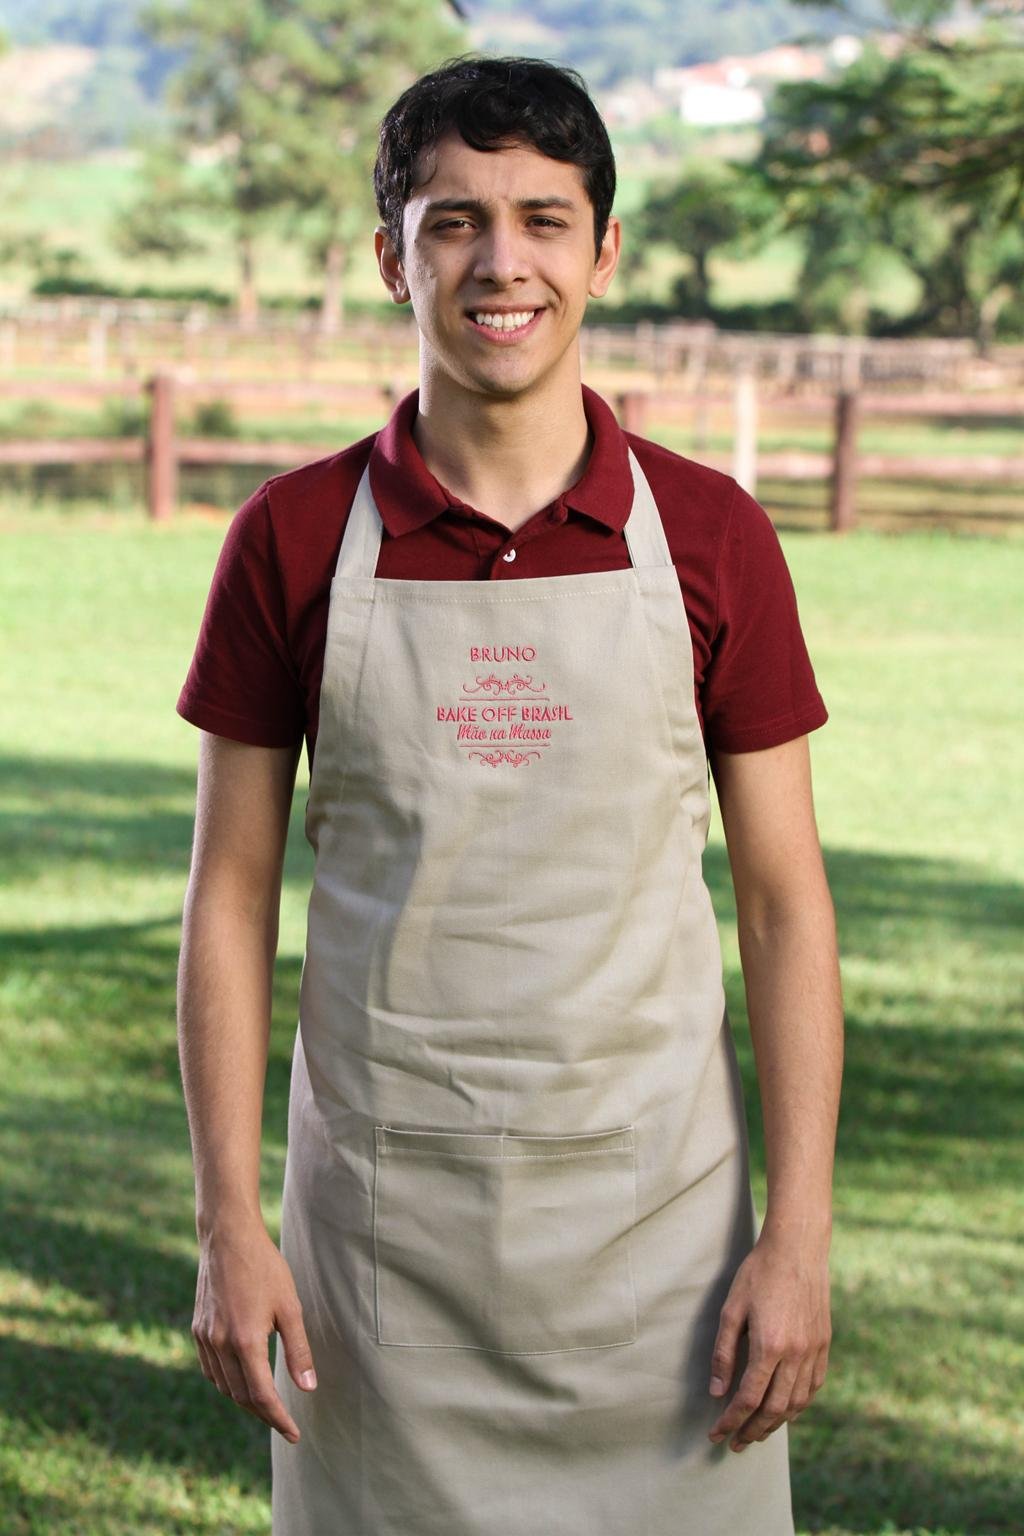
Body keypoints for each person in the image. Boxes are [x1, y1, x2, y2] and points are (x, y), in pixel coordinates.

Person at [176, 52, 844, 1536]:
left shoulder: (718, 539)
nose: (501, 263)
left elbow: (788, 904)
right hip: (377, 1265)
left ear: (604, 251)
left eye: (544, 219)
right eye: (453, 220)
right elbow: (227, 897)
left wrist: (795, 1240)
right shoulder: (286, 541)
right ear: (390, 258)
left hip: (665, 1260)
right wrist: (231, 1223)